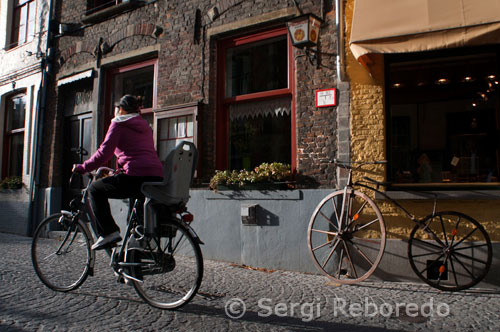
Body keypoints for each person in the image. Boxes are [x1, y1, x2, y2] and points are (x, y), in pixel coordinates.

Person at [73, 95, 163, 250]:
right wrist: (119, 170)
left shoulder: (118, 123)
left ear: (120, 109)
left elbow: (104, 153)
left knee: (95, 189)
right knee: (135, 219)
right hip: (155, 175)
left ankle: (109, 232)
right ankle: (134, 261)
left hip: (135, 175)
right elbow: (137, 152)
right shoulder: (144, 125)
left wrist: (83, 167)